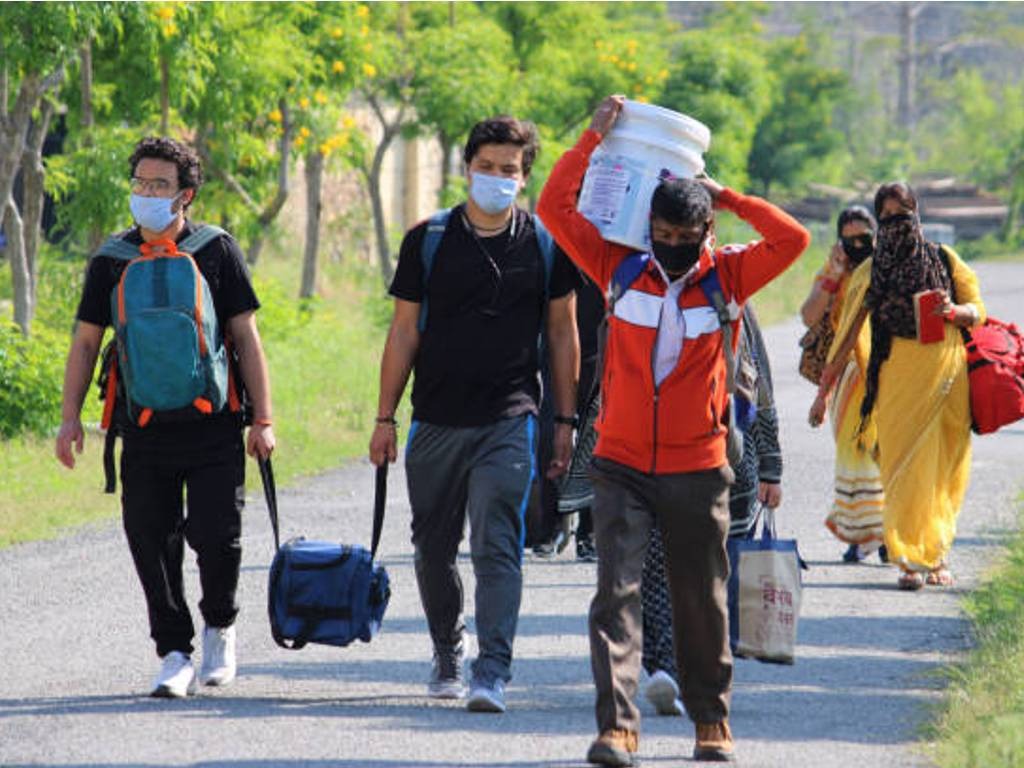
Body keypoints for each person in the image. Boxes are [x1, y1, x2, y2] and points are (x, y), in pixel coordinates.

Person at [537, 94, 810, 765]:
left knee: (701, 602)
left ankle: (711, 723)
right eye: (666, 235)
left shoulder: (729, 274)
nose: (677, 249)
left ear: (707, 232)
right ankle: (618, 729)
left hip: (699, 467)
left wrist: (729, 195)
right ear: (648, 225)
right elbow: (552, 209)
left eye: (690, 239)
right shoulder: (618, 267)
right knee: (615, 599)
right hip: (622, 463)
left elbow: (794, 239)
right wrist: (591, 143)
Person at [368, 115, 580, 714]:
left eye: (508, 170)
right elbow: (404, 332)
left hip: (511, 417)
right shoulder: (428, 240)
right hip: (434, 418)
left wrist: (563, 424)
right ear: (467, 168)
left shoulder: (544, 244)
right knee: (432, 549)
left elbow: (563, 336)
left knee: (497, 545)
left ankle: (493, 670)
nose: (495, 178)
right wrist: (385, 419)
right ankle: (446, 648)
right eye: (485, 167)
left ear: (525, 175)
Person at [55, 137, 275, 697]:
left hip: (214, 423)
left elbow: (246, 338)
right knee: (148, 535)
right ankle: (174, 650)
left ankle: (220, 626)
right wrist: (69, 418)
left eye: (160, 186)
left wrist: (263, 419)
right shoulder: (111, 259)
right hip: (143, 424)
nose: (147, 194)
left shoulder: (216, 250)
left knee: (216, 534)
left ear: (186, 195)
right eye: (140, 184)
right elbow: (85, 344)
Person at [818, 182, 984, 591]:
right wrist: (823, 394)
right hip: (895, 379)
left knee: (944, 469)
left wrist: (953, 311)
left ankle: (938, 555)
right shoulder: (870, 273)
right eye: (888, 219)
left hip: (948, 378)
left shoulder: (944, 259)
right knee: (903, 469)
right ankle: (909, 559)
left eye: (903, 216)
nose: (897, 226)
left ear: (917, 216)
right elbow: (846, 334)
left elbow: (977, 311)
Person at [640, 302, 783, 718]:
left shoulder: (731, 297)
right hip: (652, 456)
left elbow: (760, 386)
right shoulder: (638, 291)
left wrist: (771, 465)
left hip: (726, 462)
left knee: (710, 577)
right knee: (655, 563)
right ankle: (667, 665)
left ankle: (698, 671)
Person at [805, 206, 886, 563]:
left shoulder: (888, 267)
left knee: (885, 452)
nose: (856, 244)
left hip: (887, 369)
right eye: (849, 238)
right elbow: (808, 315)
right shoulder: (834, 269)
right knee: (852, 453)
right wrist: (835, 275)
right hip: (846, 373)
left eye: (863, 237)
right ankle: (859, 532)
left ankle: (887, 532)